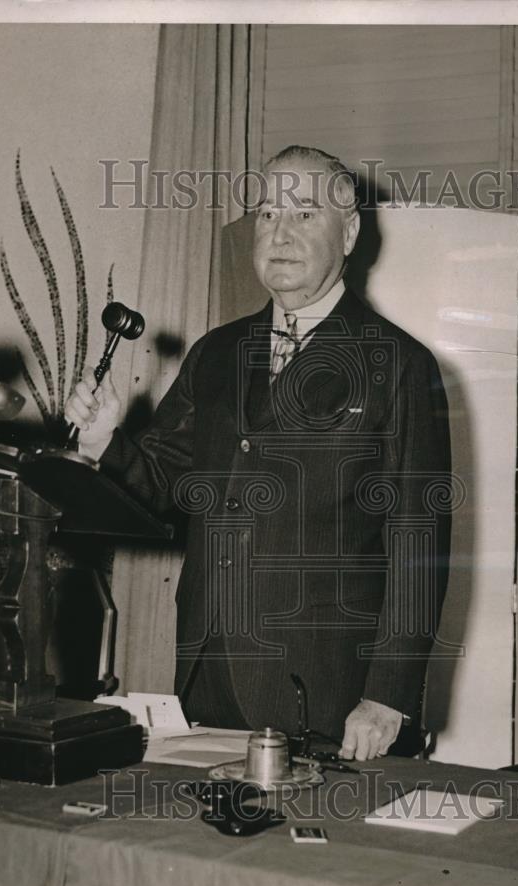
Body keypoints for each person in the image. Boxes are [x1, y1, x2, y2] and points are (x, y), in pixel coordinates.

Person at [65, 145, 452, 761]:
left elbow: (419, 538)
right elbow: (163, 483)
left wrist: (389, 694)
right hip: (207, 669)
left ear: (348, 232)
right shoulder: (216, 353)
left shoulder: (399, 364)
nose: (280, 233)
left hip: (330, 693)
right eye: (268, 214)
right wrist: (107, 441)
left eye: (304, 215)